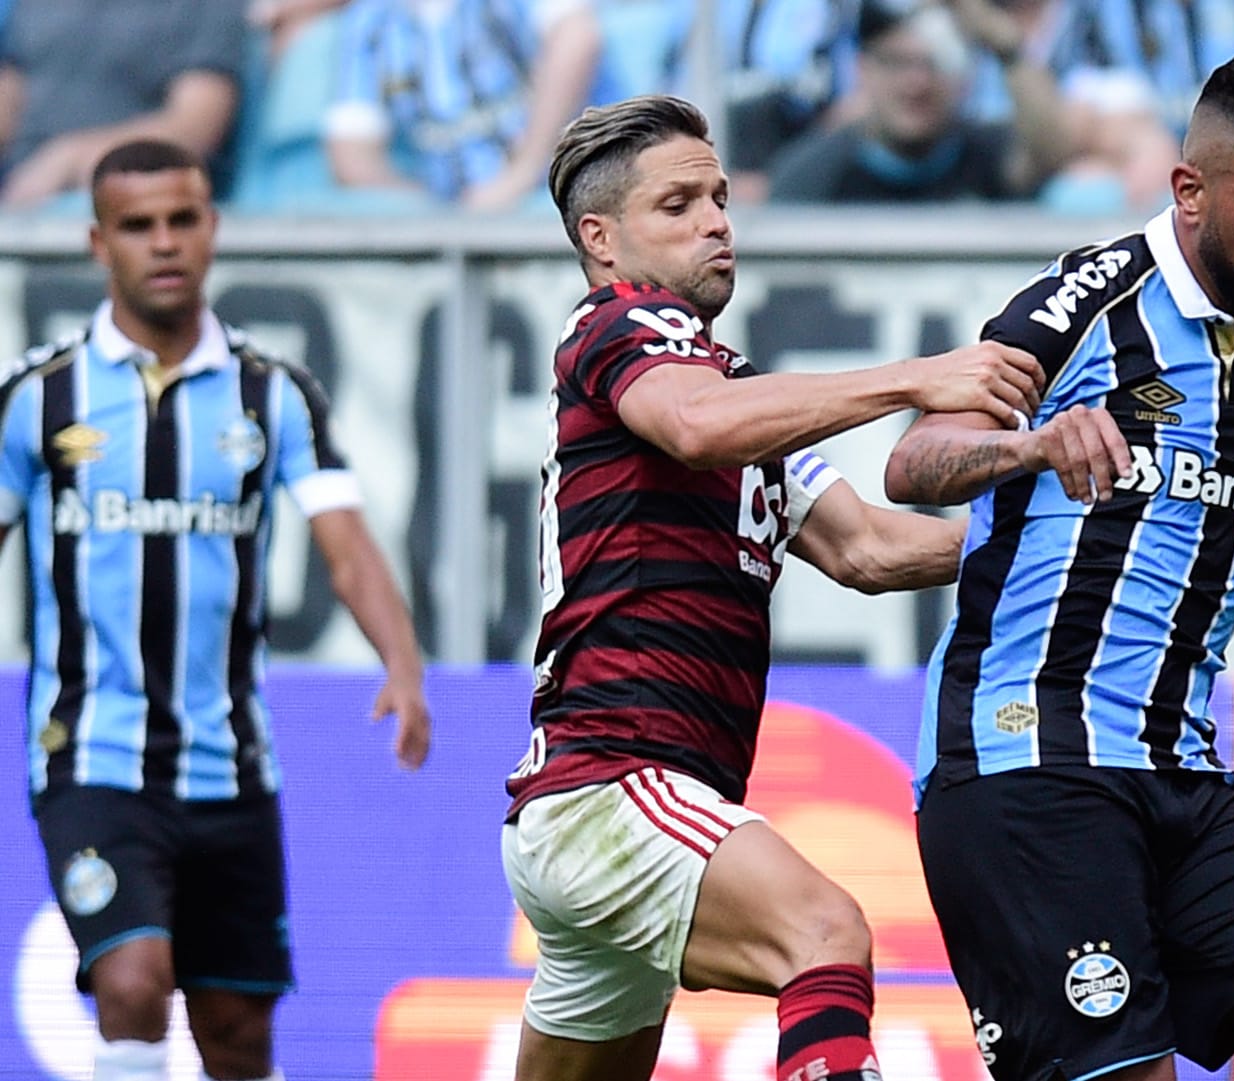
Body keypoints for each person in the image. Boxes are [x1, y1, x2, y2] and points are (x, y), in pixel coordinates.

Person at [884, 48, 1234, 1081]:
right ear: (1189, 190)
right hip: (1028, 769)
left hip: (1180, 776)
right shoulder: (1081, 305)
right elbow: (915, 463)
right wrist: (1031, 446)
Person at [500, 94, 1044, 1081]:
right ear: (601, 238)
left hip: (633, 807)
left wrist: (1063, 531)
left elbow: (870, 549)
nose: (716, 220)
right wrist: (918, 378)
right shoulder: (621, 328)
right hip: (617, 784)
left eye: (718, 197)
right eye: (678, 204)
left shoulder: (730, 386)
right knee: (826, 931)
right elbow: (700, 427)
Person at [0, 139, 432, 1081]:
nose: (164, 243)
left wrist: (402, 664)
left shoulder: (273, 395)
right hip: (91, 753)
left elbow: (346, 544)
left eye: (182, 220)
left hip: (231, 763)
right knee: (131, 982)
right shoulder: (36, 399)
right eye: (138, 225)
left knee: (237, 1034)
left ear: (212, 228)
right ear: (96, 243)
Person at [766, 0, 1072, 204]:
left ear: (965, 76)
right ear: (863, 70)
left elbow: (1049, 154)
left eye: (935, 64)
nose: (917, 83)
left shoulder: (986, 153)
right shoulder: (811, 176)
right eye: (896, 63)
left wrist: (1008, 48)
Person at [324, 0, 606, 211]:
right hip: (452, 221)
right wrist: (432, 213)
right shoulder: (369, 18)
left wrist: (524, 172)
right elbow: (351, 156)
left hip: (554, 194)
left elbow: (577, 39)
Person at [0, 0, 247, 208]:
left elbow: (197, 126)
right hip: (17, 201)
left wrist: (70, 160)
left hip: (123, 204)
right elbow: (11, 92)